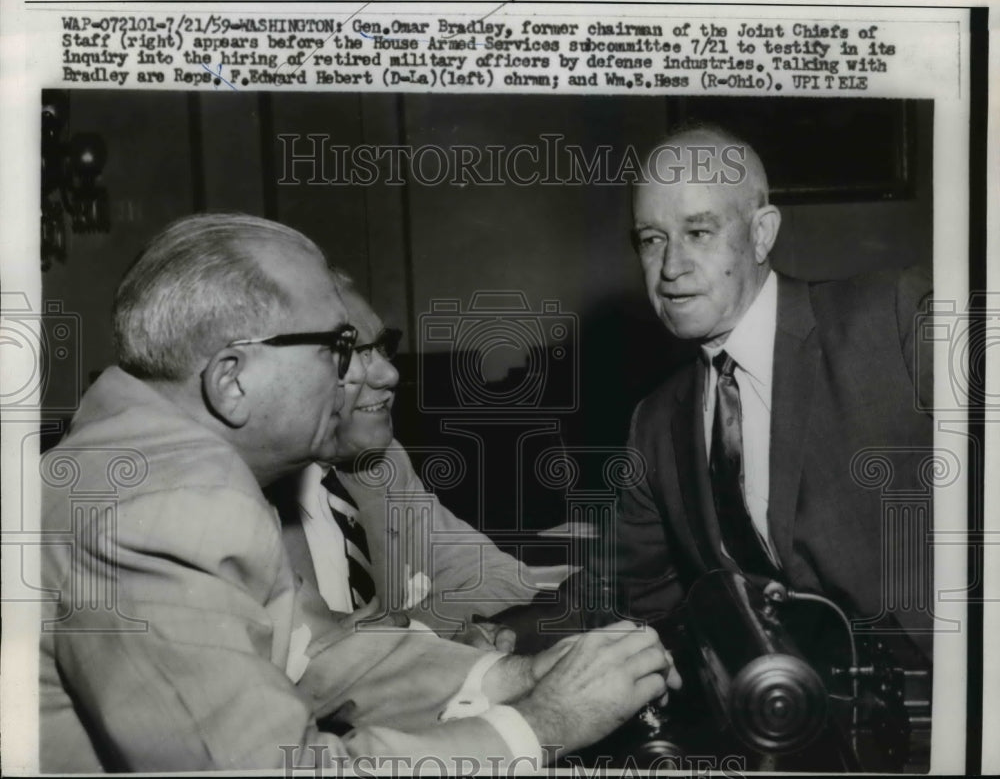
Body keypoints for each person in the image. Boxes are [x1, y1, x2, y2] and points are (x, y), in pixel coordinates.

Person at [38, 213, 676, 772]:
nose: (356, 376)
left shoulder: (171, 460)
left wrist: (517, 676)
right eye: (336, 348)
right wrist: (542, 724)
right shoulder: (158, 503)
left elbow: (316, 650)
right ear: (231, 380)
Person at [616, 125, 935, 662]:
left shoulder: (896, 319)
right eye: (652, 240)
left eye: (698, 232)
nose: (670, 268)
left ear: (762, 234)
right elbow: (628, 597)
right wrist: (503, 643)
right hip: (785, 721)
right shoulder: (654, 422)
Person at [272, 276, 574, 650]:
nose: (390, 374)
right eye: (352, 354)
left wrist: (418, 636)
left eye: (382, 348)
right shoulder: (241, 500)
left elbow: (501, 576)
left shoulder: (380, 467)